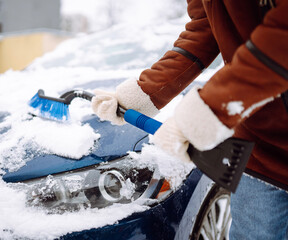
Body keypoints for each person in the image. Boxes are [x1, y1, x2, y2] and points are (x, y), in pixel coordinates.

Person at [91, 0, 288, 239]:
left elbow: (280, 38)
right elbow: (203, 31)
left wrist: (209, 110)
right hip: (261, 148)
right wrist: (143, 94)